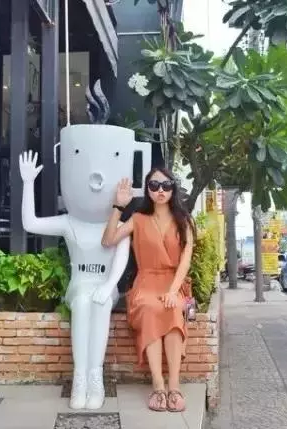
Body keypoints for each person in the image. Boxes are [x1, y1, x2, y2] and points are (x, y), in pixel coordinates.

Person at [101, 168, 196, 412]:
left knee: (173, 310)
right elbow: (108, 241)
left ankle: (174, 385)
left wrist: (173, 291)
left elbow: (185, 261)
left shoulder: (184, 220)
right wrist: (118, 207)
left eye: (166, 185)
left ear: (173, 187)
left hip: (174, 283)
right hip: (145, 283)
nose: (160, 190)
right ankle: (158, 385)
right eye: (154, 185)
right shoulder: (138, 219)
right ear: (147, 189)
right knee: (150, 308)